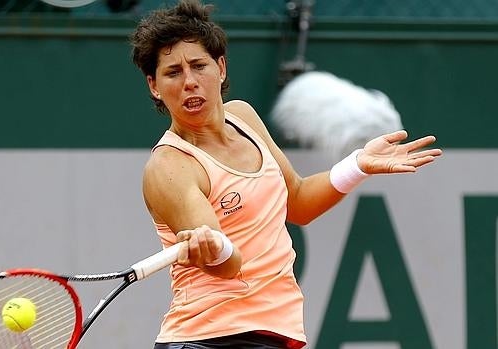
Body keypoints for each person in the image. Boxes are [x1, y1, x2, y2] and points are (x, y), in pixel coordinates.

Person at [129, 1, 442, 348]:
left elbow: (299, 202)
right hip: (209, 339)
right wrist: (212, 246)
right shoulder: (169, 167)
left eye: (198, 65)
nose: (189, 81)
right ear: (154, 86)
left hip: (271, 334)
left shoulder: (243, 117)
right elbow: (228, 265)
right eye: (173, 72)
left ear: (220, 67)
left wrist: (357, 165)